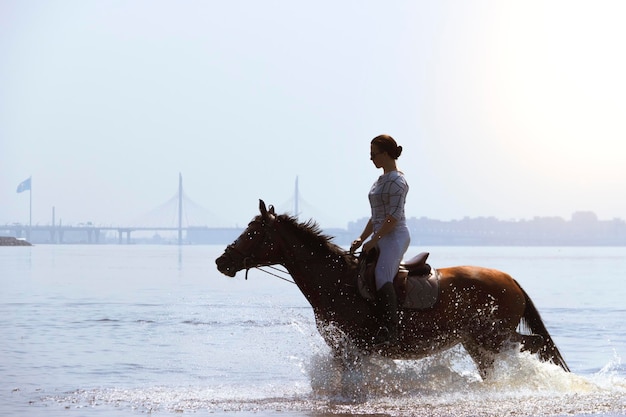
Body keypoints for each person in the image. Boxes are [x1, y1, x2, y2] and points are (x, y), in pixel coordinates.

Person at [350, 134, 411, 346]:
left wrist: (374, 240)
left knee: (381, 275)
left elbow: (392, 218)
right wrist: (361, 238)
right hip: (379, 234)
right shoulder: (380, 180)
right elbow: (376, 216)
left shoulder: (397, 181)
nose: (371, 158)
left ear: (385, 154)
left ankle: (390, 330)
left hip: (394, 236)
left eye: (373, 154)